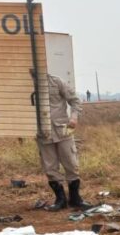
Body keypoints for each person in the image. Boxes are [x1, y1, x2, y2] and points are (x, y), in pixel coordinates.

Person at [38, 74, 90, 211]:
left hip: (63, 129)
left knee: (71, 163)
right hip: (42, 132)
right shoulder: (26, 84)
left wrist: (74, 117)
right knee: (50, 167)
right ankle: (60, 200)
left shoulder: (56, 81)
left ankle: (75, 198)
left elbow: (75, 100)